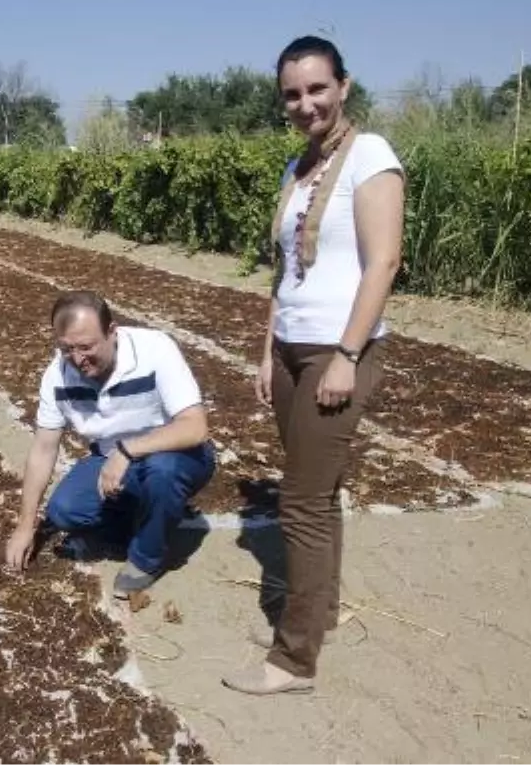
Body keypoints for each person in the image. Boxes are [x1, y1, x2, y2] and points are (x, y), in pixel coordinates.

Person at [220, 36, 405, 696]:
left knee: (299, 502)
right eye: (292, 94)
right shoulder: (295, 170)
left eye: (317, 89)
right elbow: (284, 273)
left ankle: (293, 659)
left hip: (337, 351)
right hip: (293, 350)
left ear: (344, 86)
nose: (305, 104)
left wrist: (348, 357)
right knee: (316, 500)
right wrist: (268, 350)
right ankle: (316, 615)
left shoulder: (371, 155)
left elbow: (383, 262)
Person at [3, 290, 216, 599]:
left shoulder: (154, 349)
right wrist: (25, 525)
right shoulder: (57, 377)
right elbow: (43, 449)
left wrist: (127, 451)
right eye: (67, 349)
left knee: (163, 472)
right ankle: (140, 521)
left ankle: (146, 559)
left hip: (176, 454)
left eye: (87, 346)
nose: (78, 359)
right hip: (110, 458)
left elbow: (195, 428)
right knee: (64, 511)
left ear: (112, 332)